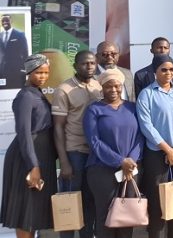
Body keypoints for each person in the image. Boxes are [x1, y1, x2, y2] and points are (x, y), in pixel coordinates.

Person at [136, 54, 173, 238]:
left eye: (172, 69)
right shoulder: (147, 94)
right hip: (157, 155)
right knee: (158, 202)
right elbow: (146, 126)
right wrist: (168, 150)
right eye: (164, 69)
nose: (169, 73)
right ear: (155, 71)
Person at [0, 55, 57, 237]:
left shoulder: (37, 93)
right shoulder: (25, 96)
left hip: (42, 156)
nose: (43, 76)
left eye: (46, 72)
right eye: (38, 72)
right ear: (29, 72)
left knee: (35, 213)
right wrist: (33, 166)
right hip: (27, 158)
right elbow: (23, 132)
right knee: (26, 212)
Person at [83, 69, 144, 238]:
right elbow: (94, 141)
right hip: (101, 170)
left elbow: (140, 137)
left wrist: (130, 160)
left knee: (127, 215)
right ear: (102, 88)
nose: (113, 90)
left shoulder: (132, 107)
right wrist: (120, 161)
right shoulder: (94, 110)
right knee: (106, 215)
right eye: (108, 86)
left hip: (131, 169)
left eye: (117, 86)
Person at [51, 50, 101, 238]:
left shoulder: (99, 86)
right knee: (70, 203)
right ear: (75, 66)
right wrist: (64, 162)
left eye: (92, 63)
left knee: (89, 201)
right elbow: (58, 127)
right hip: (74, 153)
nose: (89, 67)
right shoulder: (64, 89)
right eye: (84, 63)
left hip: (95, 153)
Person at [0, 14, 29, 89]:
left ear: (11, 21)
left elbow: (25, 53)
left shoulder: (20, 34)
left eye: (7, 20)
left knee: (16, 89)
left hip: (16, 70)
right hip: (2, 71)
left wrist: (24, 69)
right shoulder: (0, 35)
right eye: (3, 21)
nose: (4, 22)